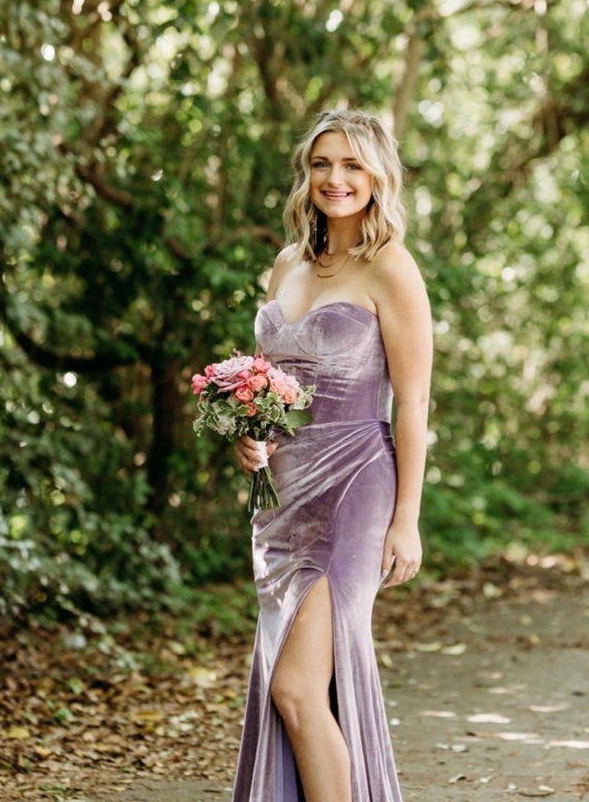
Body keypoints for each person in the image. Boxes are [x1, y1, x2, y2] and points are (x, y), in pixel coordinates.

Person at [230, 109, 433, 802]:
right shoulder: (287, 263)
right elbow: (268, 386)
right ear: (306, 173)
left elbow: (413, 404)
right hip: (283, 501)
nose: (336, 178)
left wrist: (406, 519)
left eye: (352, 165)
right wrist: (251, 438)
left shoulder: (392, 270)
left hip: (355, 487)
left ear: (378, 176)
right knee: (293, 690)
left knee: (296, 687)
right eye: (323, 164)